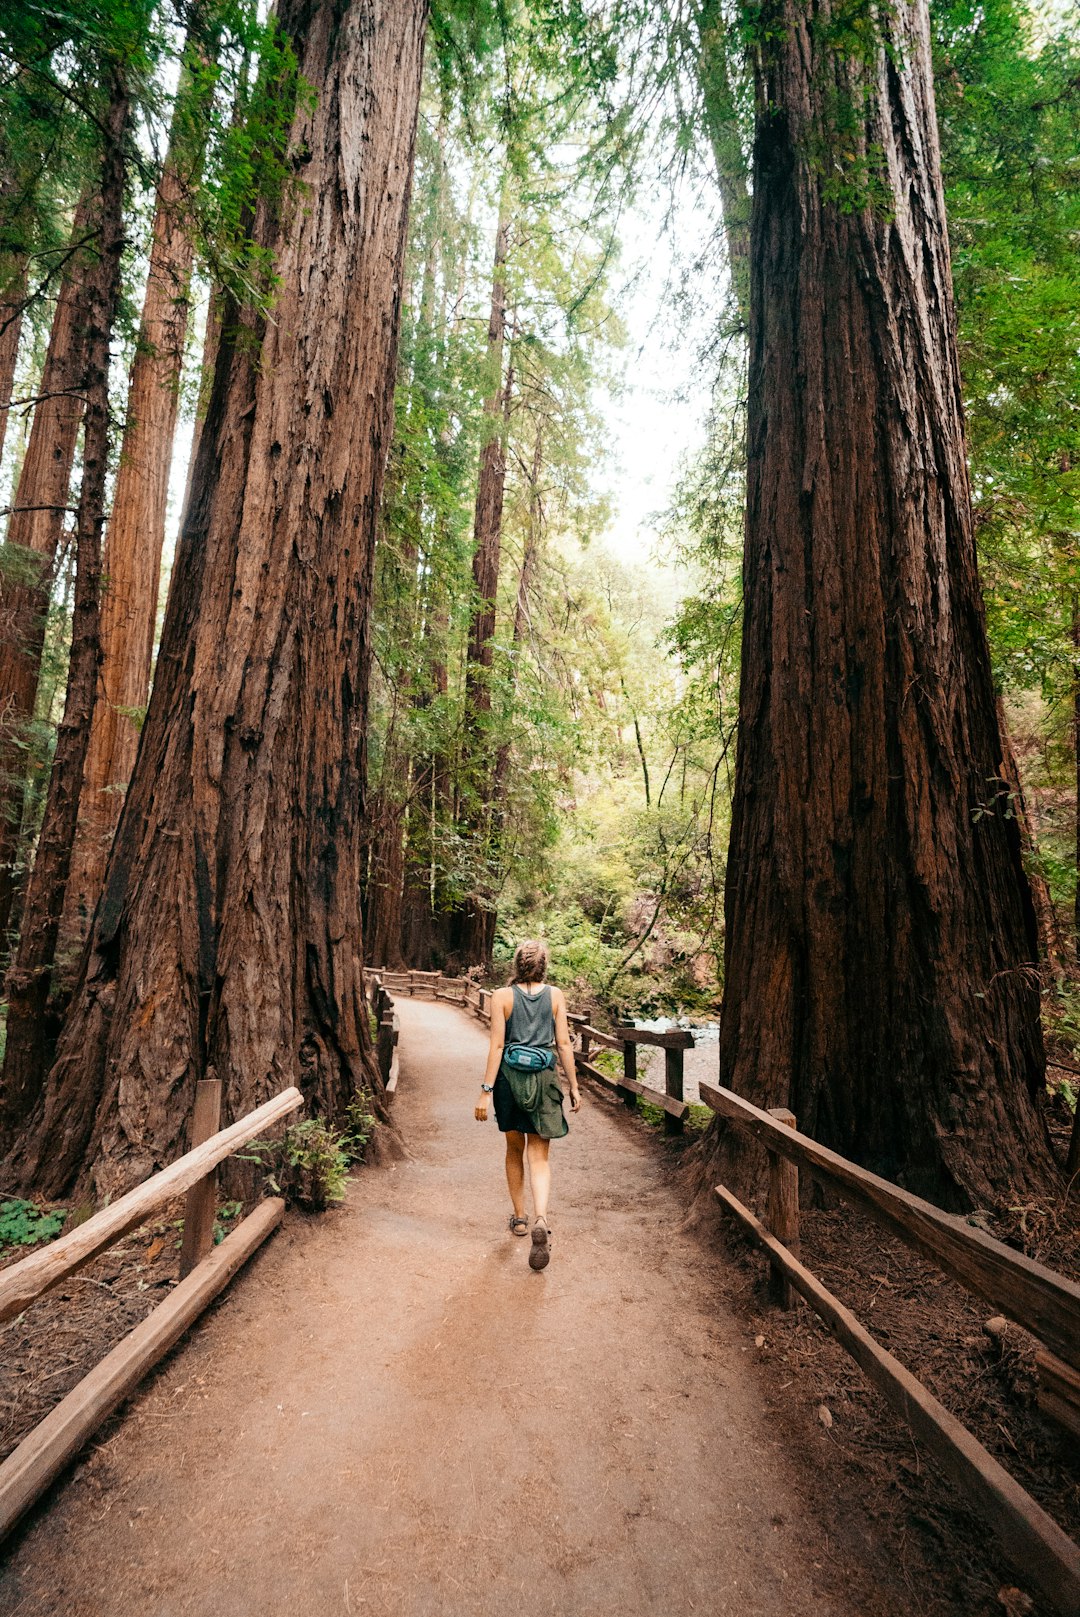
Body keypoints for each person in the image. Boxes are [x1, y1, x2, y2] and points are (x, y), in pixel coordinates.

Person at [474, 940, 580, 1270]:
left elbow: (496, 1046)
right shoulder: (556, 996)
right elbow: (563, 1044)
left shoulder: (502, 997)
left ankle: (519, 1219)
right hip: (545, 1079)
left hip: (509, 1080)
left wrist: (485, 1091)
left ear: (516, 964)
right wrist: (574, 1086)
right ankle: (541, 1219)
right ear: (543, 965)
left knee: (513, 1149)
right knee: (540, 1156)